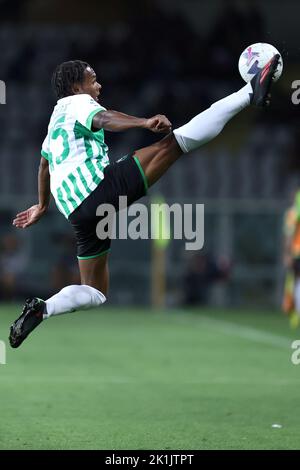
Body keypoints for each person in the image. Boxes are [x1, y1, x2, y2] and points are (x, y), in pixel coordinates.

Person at [9, 55, 280, 348]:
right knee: (176, 143)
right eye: (93, 80)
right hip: (98, 188)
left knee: (96, 291)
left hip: (78, 212)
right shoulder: (77, 103)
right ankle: (249, 93)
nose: (98, 85)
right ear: (75, 87)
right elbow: (104, 117)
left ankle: (43, 308)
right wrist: (143, 122)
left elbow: (44, 166)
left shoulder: (53, 124)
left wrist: (43, 205)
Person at [282, 190, 300, 328]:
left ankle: (296, 313)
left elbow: (289, 234)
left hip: (297, 252)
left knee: (296, 283)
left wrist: (287, 253)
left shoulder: (292, 213)